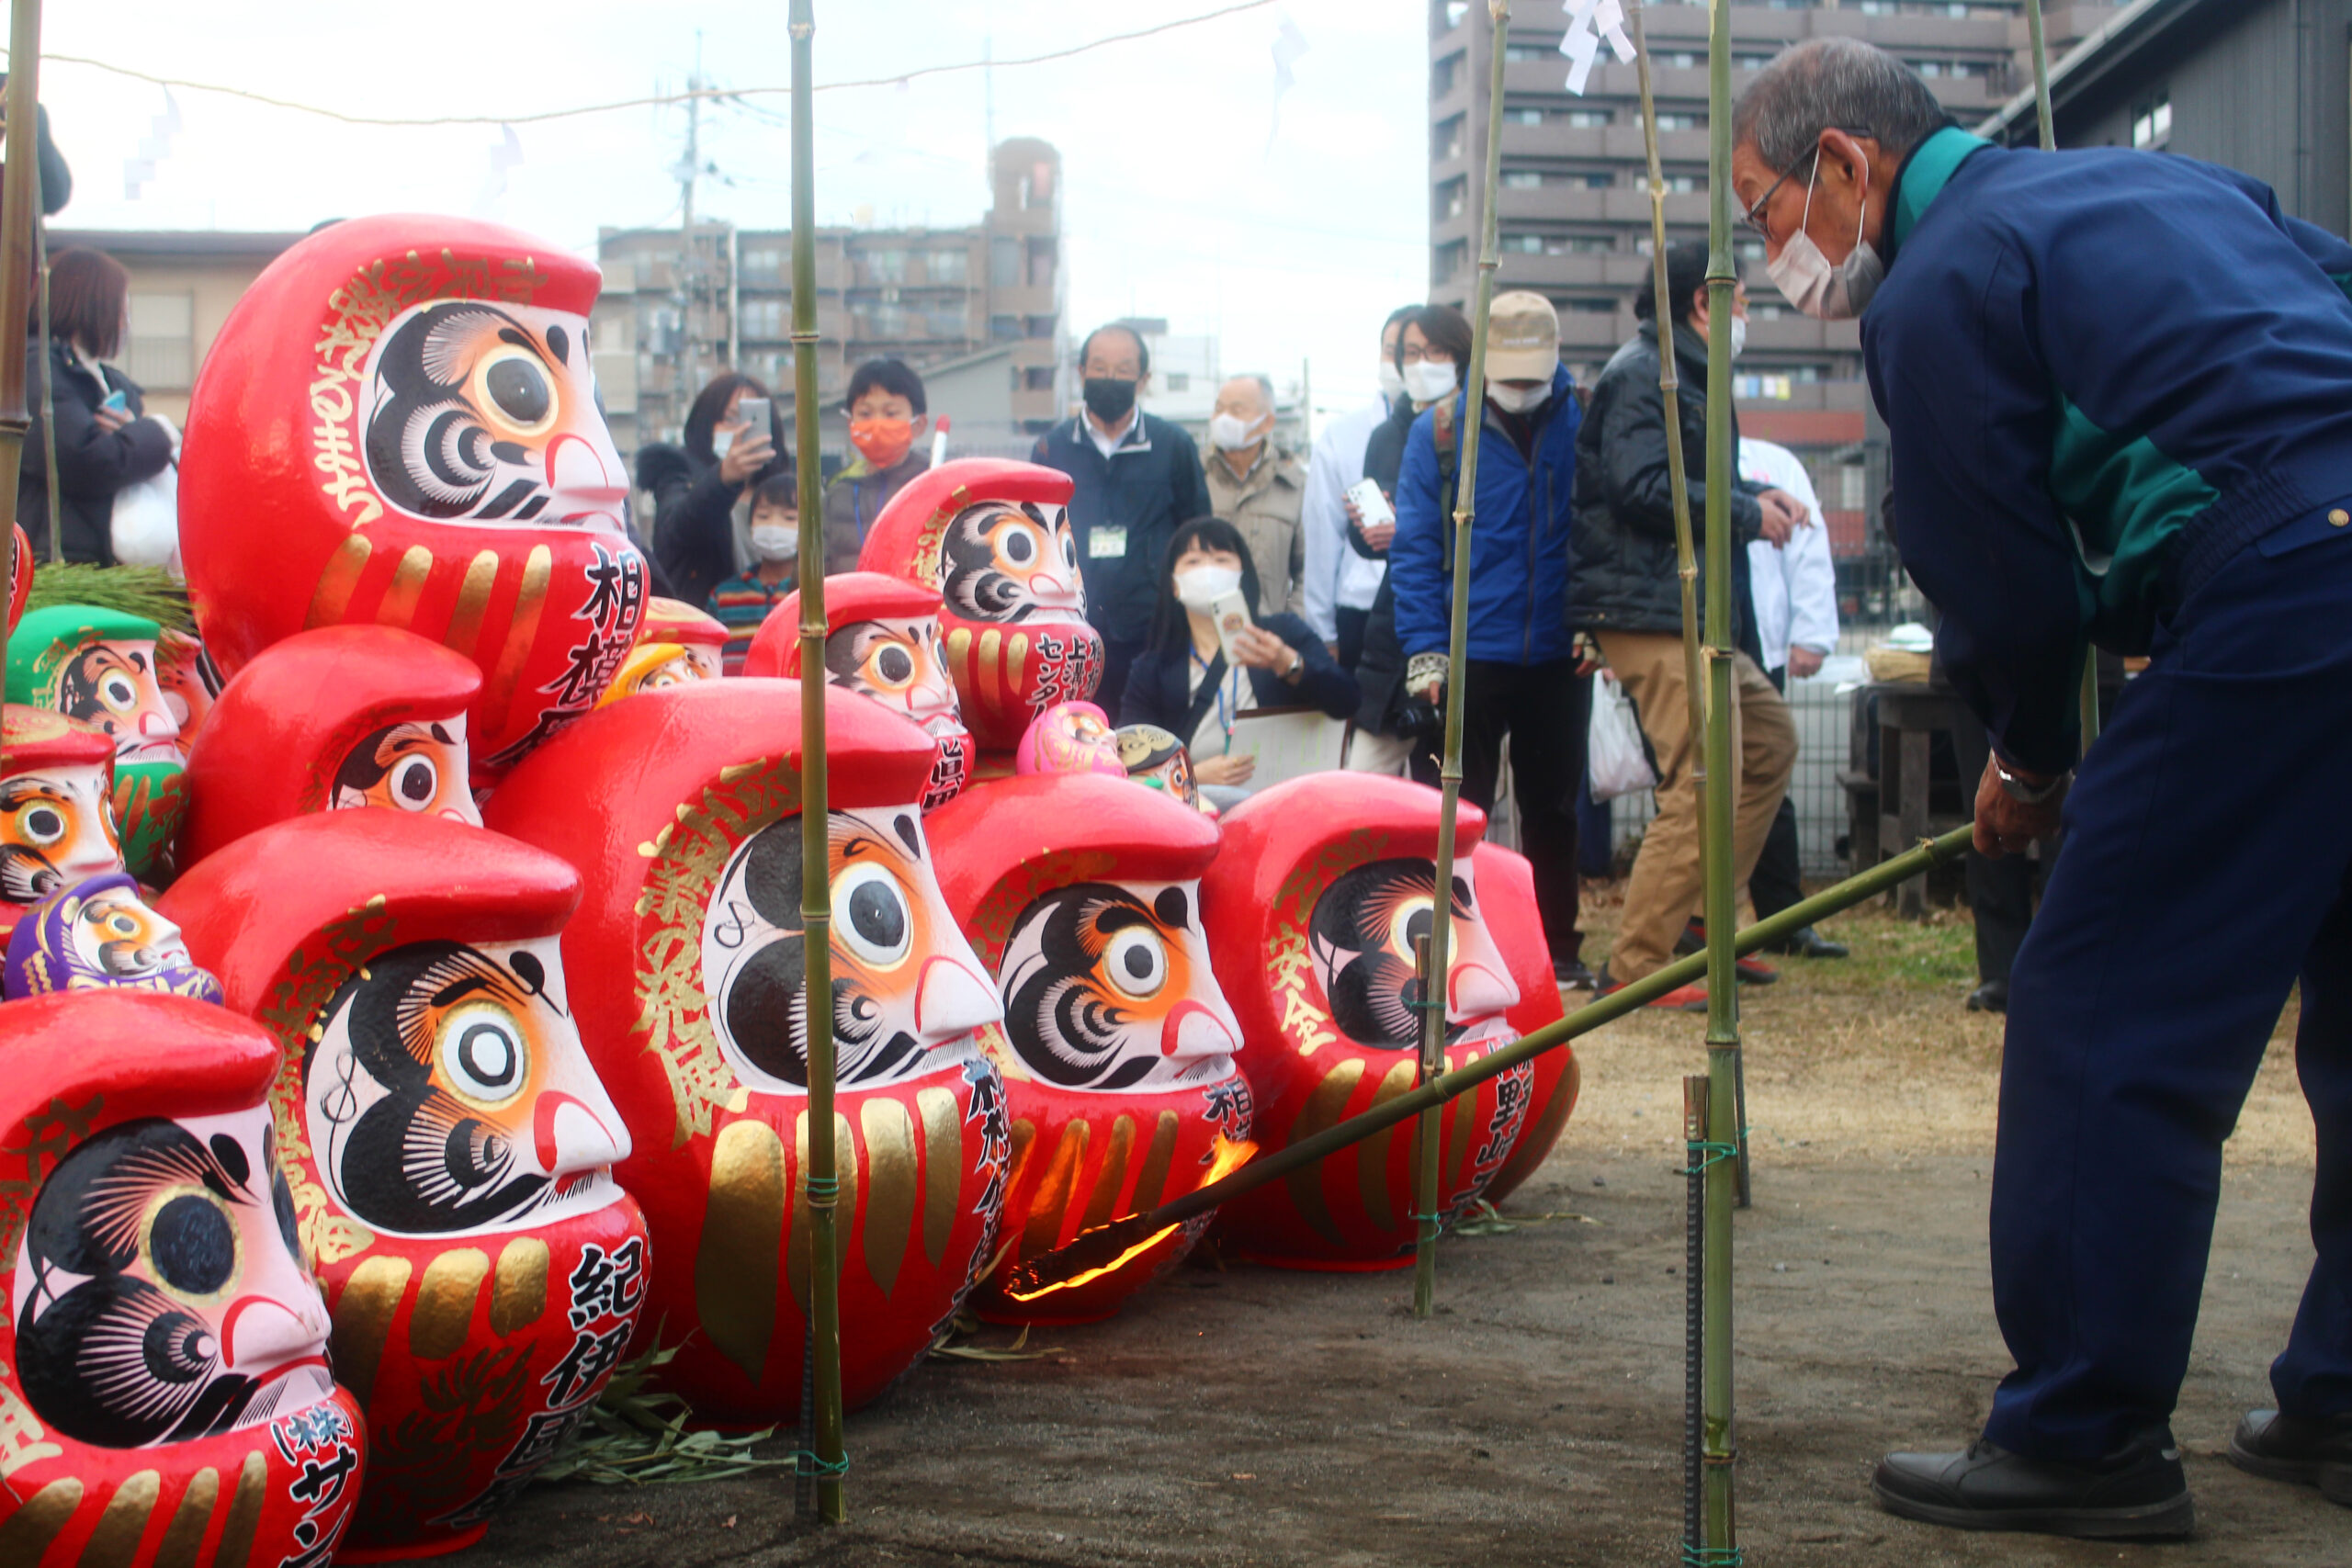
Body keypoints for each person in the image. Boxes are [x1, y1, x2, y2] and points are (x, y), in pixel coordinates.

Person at [1735, 38, 2352, 1539]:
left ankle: (2086, 1428)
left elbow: (1997, 575)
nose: (1774, 261)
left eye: (1766, 218)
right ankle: (2343, 1389)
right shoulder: (2165, 184)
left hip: (2288, 574)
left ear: (1845, 167)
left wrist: (2030, 753)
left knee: (2101, 999)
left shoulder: (1947, 281)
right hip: (2308, 531)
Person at [1569, 243, 1805, 1010]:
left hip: (1687, 606)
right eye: (1743, 300)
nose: (1747, 315)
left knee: (1768, 741)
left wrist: (1763, 496)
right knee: (1701, 780)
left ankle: (1704, 921)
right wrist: (1746, 511)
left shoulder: (1691, 372)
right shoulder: (1646, 372)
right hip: (1652, 607)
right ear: (1705, 302)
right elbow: (1642, 487)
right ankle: (1639, 962)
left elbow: (1691, 480)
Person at [1391, 292, 1591, 987]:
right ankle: (1446, 943)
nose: (1523, 392)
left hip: (1562, 648)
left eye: (1535, 379)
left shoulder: (1586, 416)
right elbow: (1414, 548)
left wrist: (1594, 620)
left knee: (1555, 807)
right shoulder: (1440, 430)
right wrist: (1424, 651)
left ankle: (1556, 946)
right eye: (1510, 378)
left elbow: (1600, 534)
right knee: (1454, 804)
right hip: (1466, 646)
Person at [1119, 516, 1356, 812]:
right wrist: (1192, 774)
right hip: (1196, 812)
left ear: (1242, 575)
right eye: (1193, 561)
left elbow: (1347, 699)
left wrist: (1289, 664)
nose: (1208, 570)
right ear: (1174, 586)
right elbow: (1127, 757)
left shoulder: (1282, 633)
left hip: (1284, 806)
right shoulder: (1153, 666)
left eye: (1221, 559)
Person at [1031, 322, 1212, 707]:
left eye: (1123, 370)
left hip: (1152, 631)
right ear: (1081, 373)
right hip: (1072, 631)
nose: (1110, 379)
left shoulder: (1173, 446)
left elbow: (1197, 533)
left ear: (1143, 379)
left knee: (1146, 738)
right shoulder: (1052, 448)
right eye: (1099, 368)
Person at [1350, 303, 1478, 779]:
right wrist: (1369, 530)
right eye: (1411, 352)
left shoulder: (1475, 425)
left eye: (1437, 351)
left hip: (1458, 616)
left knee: (1443, 782)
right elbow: (1363, 540)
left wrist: (1416, 526)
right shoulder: (1388, 433)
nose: (1422, 363)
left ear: (1462, 354)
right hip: (1394, 620)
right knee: (1363, 777)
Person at [1737, 434, 1847, 961]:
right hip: (1688, 636)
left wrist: (1811, 631)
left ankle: (1781, 918)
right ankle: (1699, 921)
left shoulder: (1773, 461)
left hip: (1761, 642)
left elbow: (1807, 548)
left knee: (1769, 781)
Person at [18, 248, 173, 566]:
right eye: (121, 308)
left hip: (103, 558)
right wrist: (157, 432)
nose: (126, 322)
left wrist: (131, 434)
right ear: (93, 304)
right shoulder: (37, 366)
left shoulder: (110, 379)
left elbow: (119, 450)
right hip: (56, 560)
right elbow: (83, 459)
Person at [1301, 306, 1416, 670]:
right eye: (1390, 350)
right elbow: (1322, 533)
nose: (1397, 362)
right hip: (1359, 609)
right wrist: (1322, 632)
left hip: (1431, 607)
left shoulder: (1462, 433)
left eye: (1410, 352)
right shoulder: (1342, 435)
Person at [639, 372, 788, 609]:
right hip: (705, 621)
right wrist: (723, 478)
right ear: (707, 423)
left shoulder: (785, 488)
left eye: (753, 420)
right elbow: (676, 528)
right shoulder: (677, 472)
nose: (742, 430)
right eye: (730, 419)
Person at [1201, 374, 1306, 618]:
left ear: (1267, 422)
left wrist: (1290, 627)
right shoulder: (1195, 475)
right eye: (1219, 409)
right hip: (1201, 636)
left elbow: (1307, 572)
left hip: (1268, 634)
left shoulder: (1293, 483)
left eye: (1237, 410)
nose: (1224, 418)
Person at [822, 357, 932, 574]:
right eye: (865, 414)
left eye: (890, 413)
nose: (877, 422)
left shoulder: (935, 487)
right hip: (850, 607)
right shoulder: (836, 495)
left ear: (918, 425)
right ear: (851, 423)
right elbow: (810, 577)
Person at [707, 473, 801, 674]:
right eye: (764, 516)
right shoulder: (724, 596)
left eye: (790, 518)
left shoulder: (814, 596)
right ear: (751, 526)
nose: (774, 526)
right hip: (736, 703)